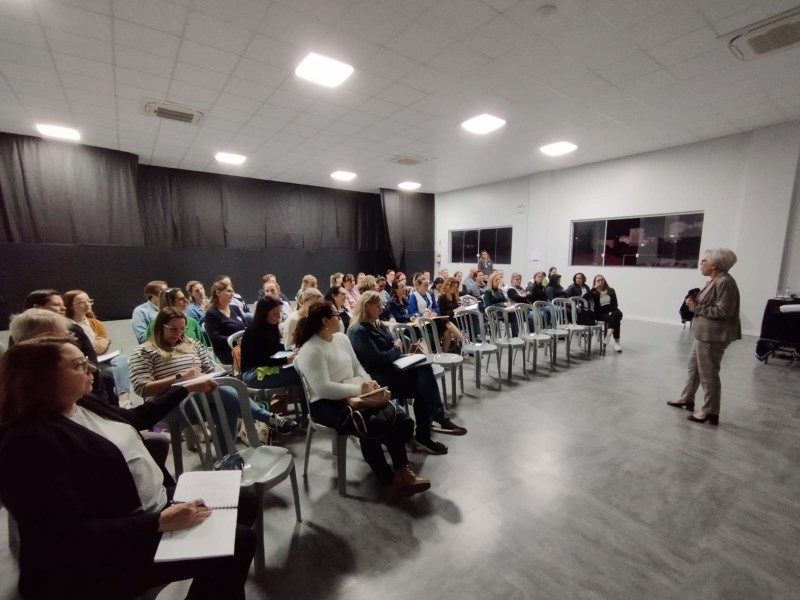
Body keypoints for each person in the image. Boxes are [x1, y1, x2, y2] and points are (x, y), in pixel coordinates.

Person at [0, 336, 257, 600]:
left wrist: (186, 386)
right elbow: (63, 535)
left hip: (154, 506)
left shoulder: (81, 403)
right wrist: (159, 522)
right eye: (79, 365)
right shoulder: (27, 442)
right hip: (110, 551)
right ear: (42, 380)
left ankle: (212, 577)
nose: (92, 369)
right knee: (239, 542)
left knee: (245, 500)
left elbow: (138, 417)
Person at [294, 301, 430, 498]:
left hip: (354, 393)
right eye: (336, 315)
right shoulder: (311, 349)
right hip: (326, 404)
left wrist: (370, 384)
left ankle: (403, 472)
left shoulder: (341, 338)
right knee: (369, 424)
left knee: (391, 416)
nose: (339, 318)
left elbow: (357, 367)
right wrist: (360, 388)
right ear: (325, 321)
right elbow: (323, 389)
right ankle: (389, 479)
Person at [129, 308, 296, 450]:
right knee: (223, 394)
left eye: (182, 329)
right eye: (173, 329)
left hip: (202, 398)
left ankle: (227, 458)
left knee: (226, 402)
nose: (178, 334)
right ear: (159, 327)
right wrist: (181, 377)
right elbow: (142, 388)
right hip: (168, 405)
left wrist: (208, 377)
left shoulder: (192, 344)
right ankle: (268, 418)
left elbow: (210, 370)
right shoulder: (144, 351)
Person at [348, 292, 467, 455]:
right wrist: (396, 349)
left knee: (423, 377)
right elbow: (378, 359)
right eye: (377, 306)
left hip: (392, 370)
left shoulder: (377, 324)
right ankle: (435, 421)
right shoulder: (358, 331)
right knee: (423, 382)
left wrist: (398, 350)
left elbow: (391, 348)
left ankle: (430, 428)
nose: (381, 309)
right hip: (375, 380)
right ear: (366, 306)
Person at [668, 249, 741, 425]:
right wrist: (695, 302)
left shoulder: (724, 283)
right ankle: (687, 398)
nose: (701, 264)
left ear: (715, 265)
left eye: (704, 261)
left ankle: (710, 411)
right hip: (703, 333)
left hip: (713, 336)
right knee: (694, 368)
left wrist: (695, 307)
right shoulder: (714, 281)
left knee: (708, 374)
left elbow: (724, 311)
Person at [20, 291, 115, 403]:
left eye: (63, 304)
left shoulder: (74, 329)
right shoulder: (22, 336)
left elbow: (91, 360)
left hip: (86, 392)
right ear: (36, 307)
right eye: (56, 305)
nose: (63, 308)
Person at [240, 297, 306, 419]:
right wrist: (286, 359)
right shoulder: (254, 331)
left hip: (266, 367)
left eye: (279, 313)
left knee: (301, 370)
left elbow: (275, 348)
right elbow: (259, 360)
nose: (278, 317)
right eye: (274, 314)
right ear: (264, 313)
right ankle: (307, 415)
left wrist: (292, 350)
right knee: (299, 375)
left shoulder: (270, 326)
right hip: (254, 373)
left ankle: (306, 414)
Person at [63, 289, 132, 406]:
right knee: (115, 371)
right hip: (87, 361)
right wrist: (93, 348)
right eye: (81, 302)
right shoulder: (67, 326)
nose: (87, 304)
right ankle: (119, 403)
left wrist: (105, 345)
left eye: (89, 301)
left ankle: (124, 399)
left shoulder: (95, 323)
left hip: (101, 358)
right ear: (70, 306)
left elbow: (102, 345)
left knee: (122, 359)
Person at [204, 280, 246, 365]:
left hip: (242, 345)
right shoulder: (211, 314)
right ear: (218, 293)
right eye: (229, 291)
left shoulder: (235, 308)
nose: (232, 294)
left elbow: (245, 327)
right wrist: (235, 340)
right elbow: (215, 338)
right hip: (226, 350)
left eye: (232, 291)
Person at [585, 275, 623, 352]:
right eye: (598, 280)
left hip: (611, 311)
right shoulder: (594, 292)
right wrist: (593, 288)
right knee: (616, 320)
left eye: (602, 280)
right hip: (600, 313)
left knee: (616, 314)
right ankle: (617, 343)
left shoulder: (611, 290)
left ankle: (608, 336)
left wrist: (611, 311)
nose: (600, 282)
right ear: (595, 282)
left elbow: (615, 304)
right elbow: (584, 297)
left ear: (604, 281)